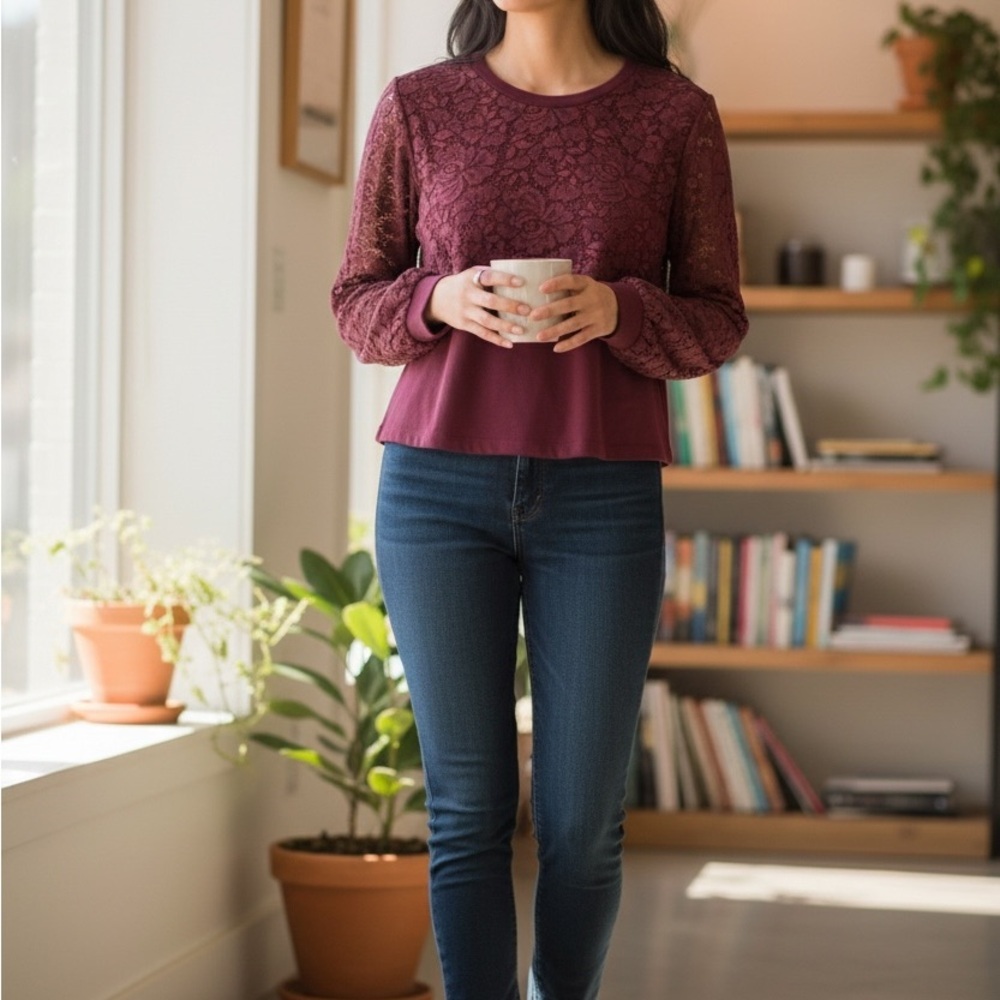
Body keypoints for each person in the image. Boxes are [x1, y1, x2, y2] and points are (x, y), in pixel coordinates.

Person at [331, 1, 748, 996]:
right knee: (467, 807)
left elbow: (717, 318)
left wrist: (619, 306)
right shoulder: (416, 107)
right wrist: (438, 297)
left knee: (579, 816)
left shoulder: (674, 116)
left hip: (601, 492)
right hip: (436, 488)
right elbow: (357, 300)